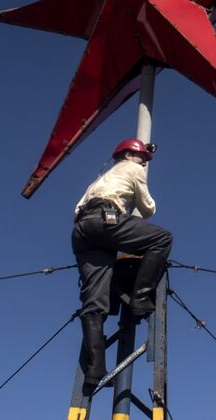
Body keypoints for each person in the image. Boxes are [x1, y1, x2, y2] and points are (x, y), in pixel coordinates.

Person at [71, 138, 173, 386]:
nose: (144, 163)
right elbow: (147, 207)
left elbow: (78, 210)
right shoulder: (132, 168)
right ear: (129, 155)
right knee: (162, 239)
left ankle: (95, 370)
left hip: (82, 231)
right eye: (142, 158)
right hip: (107, 220)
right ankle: (139, 299)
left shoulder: (99, 180)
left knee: (93, 304)